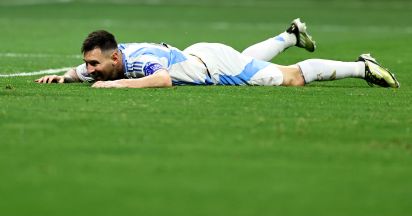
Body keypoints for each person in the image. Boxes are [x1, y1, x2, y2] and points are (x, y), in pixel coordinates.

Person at [35, 18, 399, 88]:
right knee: (247, 59)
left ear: (114, 58)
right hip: (203, 55)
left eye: (93, 64)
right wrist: (66, 76)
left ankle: (361, 67)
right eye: (88, 64)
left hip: (214, 66)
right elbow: (91, 71)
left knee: (292, 78)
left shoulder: (141, 63)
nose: (90, 70)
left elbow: (161, 80)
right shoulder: (114, 59)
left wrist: (114, 88)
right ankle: (289, 36)